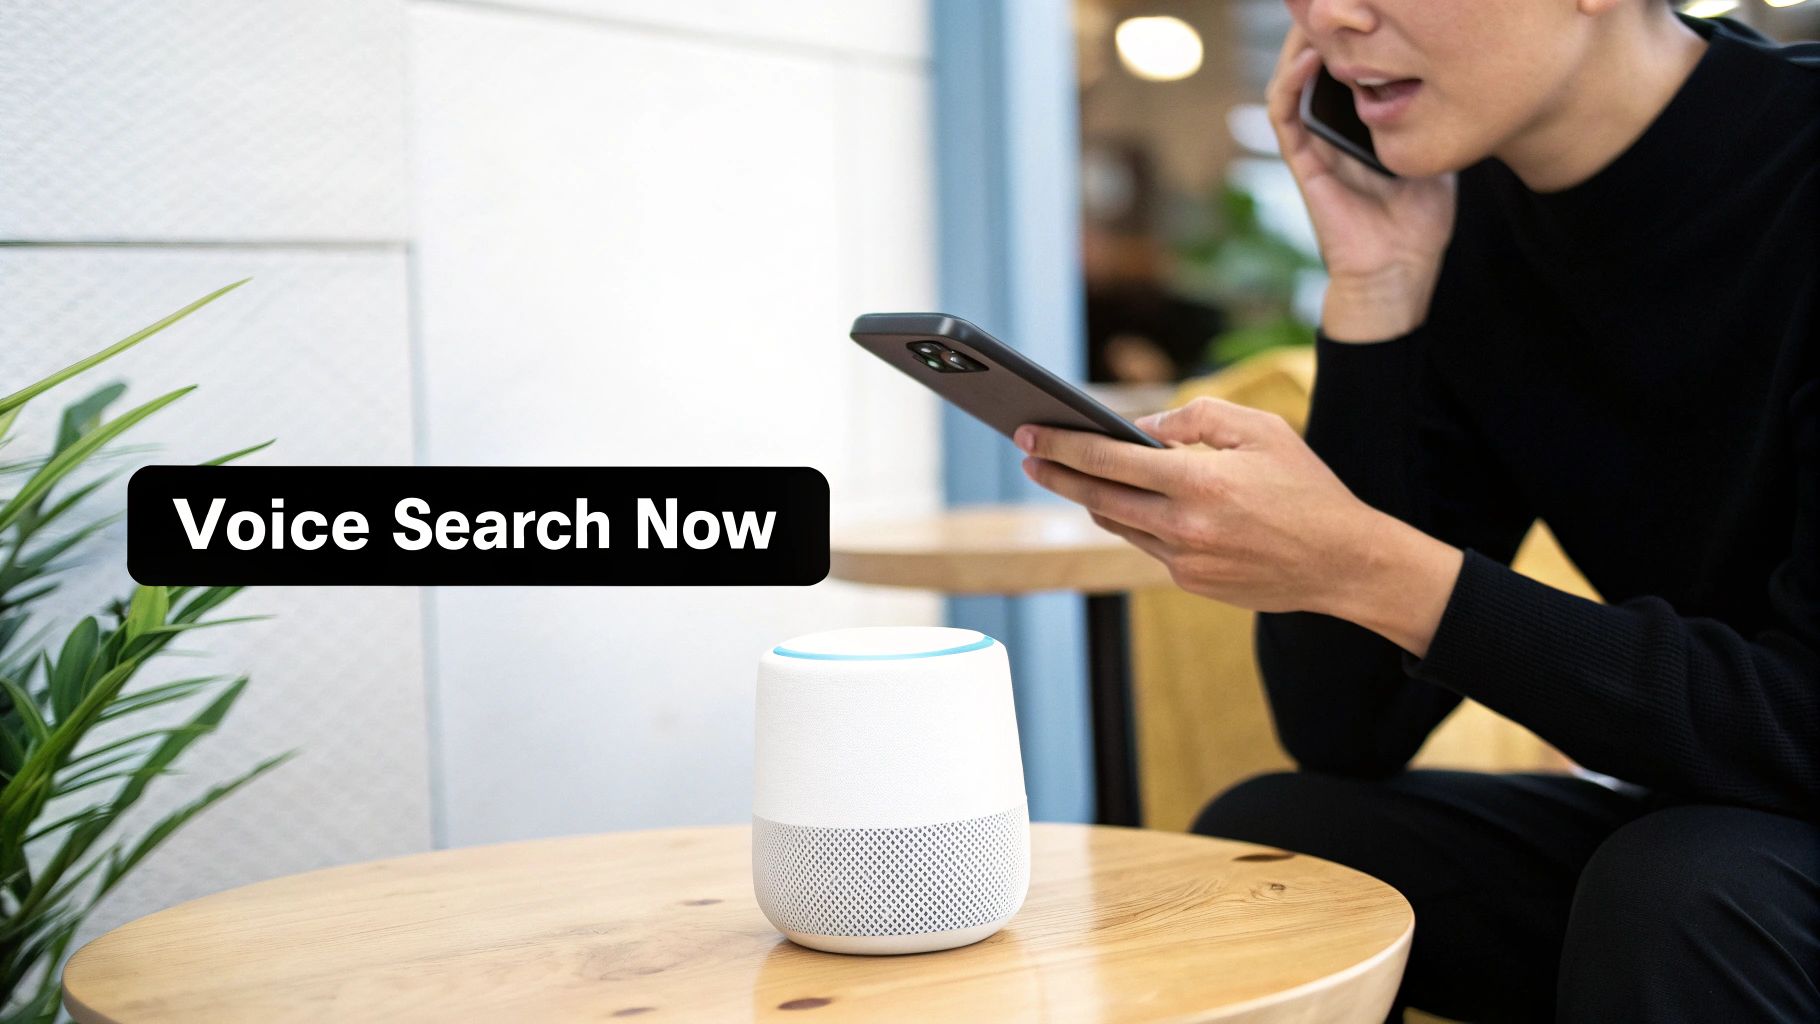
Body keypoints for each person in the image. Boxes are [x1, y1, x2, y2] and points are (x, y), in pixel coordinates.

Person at [1012, 1, 1819, 1020]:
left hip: (1730, 853)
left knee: (1687, 885)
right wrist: (1378, 288)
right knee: (1288, 849)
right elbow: (1344, 727)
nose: (1330, 15)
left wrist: (1367, 566)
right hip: (1722, 820)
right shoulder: (1468, 221)